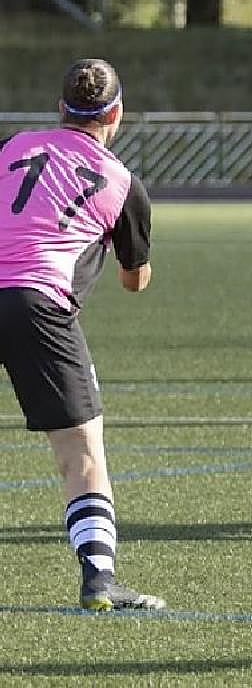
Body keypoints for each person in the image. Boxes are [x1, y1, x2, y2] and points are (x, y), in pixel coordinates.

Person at [0, 59, 163, 611]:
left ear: (59, 107)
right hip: (38, 305)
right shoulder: (122, 182)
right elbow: (133, 281)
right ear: (116, 113)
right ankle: (99, 580)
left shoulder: (13, 145)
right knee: (81, 454)